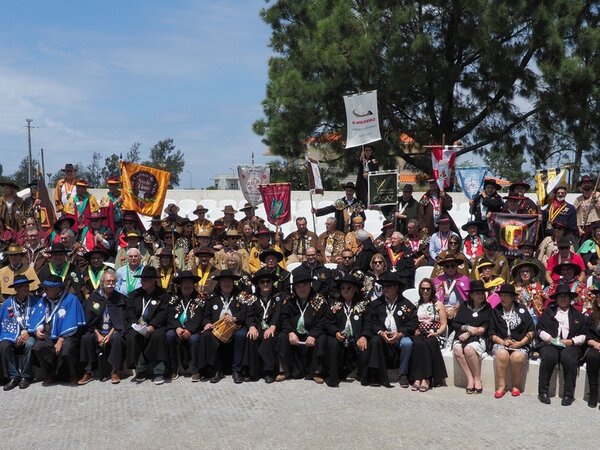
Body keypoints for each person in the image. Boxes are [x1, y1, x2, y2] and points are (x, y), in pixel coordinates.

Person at [196, 270, 254, 383]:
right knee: (208, 336)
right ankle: (217, 370)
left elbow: (247, 311)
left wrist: (235, 318)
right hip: (217, 327)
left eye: (229, 281)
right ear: (219, 282)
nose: (226, 284)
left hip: (237, 326)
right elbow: (206, 315)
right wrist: (207, 323)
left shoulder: (241, 295)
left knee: (241, 335)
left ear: (233, 282)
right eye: (223, 281)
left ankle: (236, 370)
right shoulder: (212, 296)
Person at [363, 272, 417, 387]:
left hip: (399, 336)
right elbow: (371, 321)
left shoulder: (406, 304)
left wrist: (400, 333)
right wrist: (381, 332)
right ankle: (376, 375)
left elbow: (413, 322)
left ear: (396, 288)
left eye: (389, 286)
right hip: (383, 337)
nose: (385, 289)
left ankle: (403, 374)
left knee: (407, 343)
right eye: (383, 286)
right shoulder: (375, 304)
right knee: (375, 341)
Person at [30, 274, 86, 386]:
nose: (44, 291)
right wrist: (38, 329)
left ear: (57, 289)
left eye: (47, 288)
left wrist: (61, 340)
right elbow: (37, 317)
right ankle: (49, 375)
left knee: (67, 348)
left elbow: (71, 321)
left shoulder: (71, 299)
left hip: (68, 335)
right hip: (48, 333)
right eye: (44, 288)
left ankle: (73, 374)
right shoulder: (44, 300)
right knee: (38, 346)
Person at [536, 284, 586, 406]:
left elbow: (584, 335)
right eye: (560, 296)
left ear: (570, 299)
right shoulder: (548, 312)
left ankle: (568, 395)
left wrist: (572, 341)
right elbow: (540, 330)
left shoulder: (578, 315)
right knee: (548, 356)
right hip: (550, 344)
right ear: (556, 299)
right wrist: (550, 339)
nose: (563, 299)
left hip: (570, 345)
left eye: (566, 296)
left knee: (569, 358)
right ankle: (543, 392)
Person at [275, 267, 328, 383]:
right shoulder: (289, 299)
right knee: (282, 337)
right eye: (298, 286)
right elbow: (283, 318)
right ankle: (284, 370)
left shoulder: (319, 300)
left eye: (304, 285)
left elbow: (323, 321)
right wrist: (290, 332)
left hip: (312, 333)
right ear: (294, 287)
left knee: (322, 338)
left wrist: (313, 335)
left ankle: (316, 372)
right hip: (294, 333)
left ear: (310, 285)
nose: (301, 289)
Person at [78, 270, 126, 385]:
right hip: (97, 331)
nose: (111, 284)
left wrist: (109, 334)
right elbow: (90, 320)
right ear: (102, 282)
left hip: (113, 331)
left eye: (113, 281)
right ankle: (88, 371)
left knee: (118, 338)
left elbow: (120, 320)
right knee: (86, 338)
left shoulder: (120, 298)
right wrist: (98, 335)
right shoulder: (94, 297)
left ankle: (114, 371)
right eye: (108, 281)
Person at [125, 266, 170, 385]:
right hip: (137, 325)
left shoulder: (163, 296)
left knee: (158, 336)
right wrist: (136, 324)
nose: (142, 282)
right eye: (142, 279)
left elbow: (163, 313)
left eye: (145, 280)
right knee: (132, 336)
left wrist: (152, 326)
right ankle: (141, 369)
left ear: (153, 281)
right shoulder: (134, 295)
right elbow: (130, 311)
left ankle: (158, 370)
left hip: (156, 326)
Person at [488, 284, 535, 398]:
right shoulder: (496, 310)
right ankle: (501, 386)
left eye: (506, 296)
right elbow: (491, 333)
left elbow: (531, 330)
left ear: (512, 297)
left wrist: (521, 343)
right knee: (501, 354)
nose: (502, 298)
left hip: (520, 343)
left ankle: (516, 386)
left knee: (517, 357)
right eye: (501, 295)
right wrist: (502, 342)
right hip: (501, 342)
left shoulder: (521, 309)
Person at [323, 274, 370, 387]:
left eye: (349, 288)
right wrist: (336, 332)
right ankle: (333, 378)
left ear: (355, 289)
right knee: (332, 343)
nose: (345, 290)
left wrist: (364, 336)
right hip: (341, 336)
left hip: (357, 336)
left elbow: (369, 322)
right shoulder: (335, 304)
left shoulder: (363, 304)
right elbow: (328, 322)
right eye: (343, 288)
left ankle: (362, 375)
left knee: (365, 346)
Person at [243, 268, 284, 383]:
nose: (265, 284)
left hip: (273, 327)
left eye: (268, 281)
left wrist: (273, 326)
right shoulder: (252, 297)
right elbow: (249, 314)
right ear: (258, 284)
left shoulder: (279, 296)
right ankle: (253, 372)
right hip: (258, 326)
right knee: (251, 336)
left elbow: (278, 313)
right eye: (262, 282)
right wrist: (251, 327)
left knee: (269, 337)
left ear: (272, 282)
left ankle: (268, 371)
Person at [0, 275, 39, 390]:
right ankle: (14, 376)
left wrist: (28, 332)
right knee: (4, 345)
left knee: (30, 343)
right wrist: (14, 336)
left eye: (27, 285)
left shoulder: (36, 301)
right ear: (16, 289)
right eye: (22, 286)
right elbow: (5, 323)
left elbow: (39, 319)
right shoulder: (8, 303)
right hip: (13, 335)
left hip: (30, 333)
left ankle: (26, 376)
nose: (26, 288)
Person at [452, 280, 491, 394]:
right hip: (461, 335)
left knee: (469, 349)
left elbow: (483, 328)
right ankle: (470, 378)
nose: (480, 295)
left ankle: (477, 379)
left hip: (478, 338)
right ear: (471, 295)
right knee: (457, 349)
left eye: (482, 293)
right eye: (477, 293)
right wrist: (467, 328)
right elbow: (456, 324)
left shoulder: (487, 307)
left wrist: (469, 333)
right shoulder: (464, 306)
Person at [166, 271, 206, 381]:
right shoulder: (174, 299)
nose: (186, 286)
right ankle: (173, 368)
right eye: (184, 283)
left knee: (194, 339)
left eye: (189, 283)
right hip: (177, 329)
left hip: (193, 330)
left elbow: (199, 317)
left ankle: (195, 370)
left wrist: (189, 330)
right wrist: (177, 327)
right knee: (169, 335)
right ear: (180, 285)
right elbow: (170, 315)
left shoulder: (199, 299)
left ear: (193, 284)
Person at [409, 278, 448, 392]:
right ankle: (417, 378)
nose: (425, 291)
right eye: (423, 289)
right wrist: (415, 330)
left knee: (427, 343)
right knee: (417, 344)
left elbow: (444, 324)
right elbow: (413, 322)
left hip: (436, 334)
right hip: (421, 333)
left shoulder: (438, 304)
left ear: (432, 290)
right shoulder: (417, 305)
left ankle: (426, 379)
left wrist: (437, 333)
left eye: (428, 289)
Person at [433, 255, 470, 321]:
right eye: (447, 266)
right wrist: (443, 310)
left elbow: (466, 298)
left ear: (456, 266)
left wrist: (454, 310)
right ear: (444, 268)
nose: (450, 268)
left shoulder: (464, 279)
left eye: (452, 266)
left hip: (459, 309)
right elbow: (435, 298)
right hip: (440, 309)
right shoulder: (437, 280)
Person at [584, 288, 600, 408]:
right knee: (592, 356)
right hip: (594, 346)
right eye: (598, 297)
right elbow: (586, 335)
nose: (599, 299)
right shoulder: (591, 316)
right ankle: (593, 391)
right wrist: (595, 344)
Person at [574, 174, 600, 240]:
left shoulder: (598, 195)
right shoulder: (578, 199)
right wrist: (578, 228)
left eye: (588, 182)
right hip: (583, 228)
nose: (586, 184)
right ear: (581, 185)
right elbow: (574, 214)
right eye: (584, 183)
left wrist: (595, 200)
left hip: (596, 225)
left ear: (591, 184)